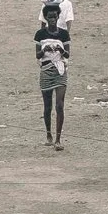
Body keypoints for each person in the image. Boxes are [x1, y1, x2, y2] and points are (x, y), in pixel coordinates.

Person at [35, 14, 70, 147]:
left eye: (54, 17)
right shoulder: (40, 34)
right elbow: (37, 55)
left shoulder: (64, 34)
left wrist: (61, 50)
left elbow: (67, 54)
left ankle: (58, 139)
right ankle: (49, 134)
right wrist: (44, 50)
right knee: (48, 106)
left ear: (57, 18)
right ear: (46, 19)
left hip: (60, 71)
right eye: (50, 18)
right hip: (46, 71)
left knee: (59, 105)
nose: (52, 20)